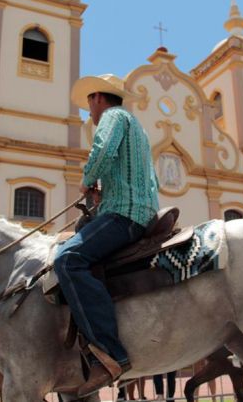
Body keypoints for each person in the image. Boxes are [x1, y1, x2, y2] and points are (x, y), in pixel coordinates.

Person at [55, 74, 159, 397]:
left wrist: (88, 180)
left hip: (124, 213)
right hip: (136, 209)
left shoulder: (113, 117)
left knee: (67, 259)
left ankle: (109, 351)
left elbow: (101, 150)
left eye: (90, 103)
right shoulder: (137, 126)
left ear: (98, 98)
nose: (89, 111)